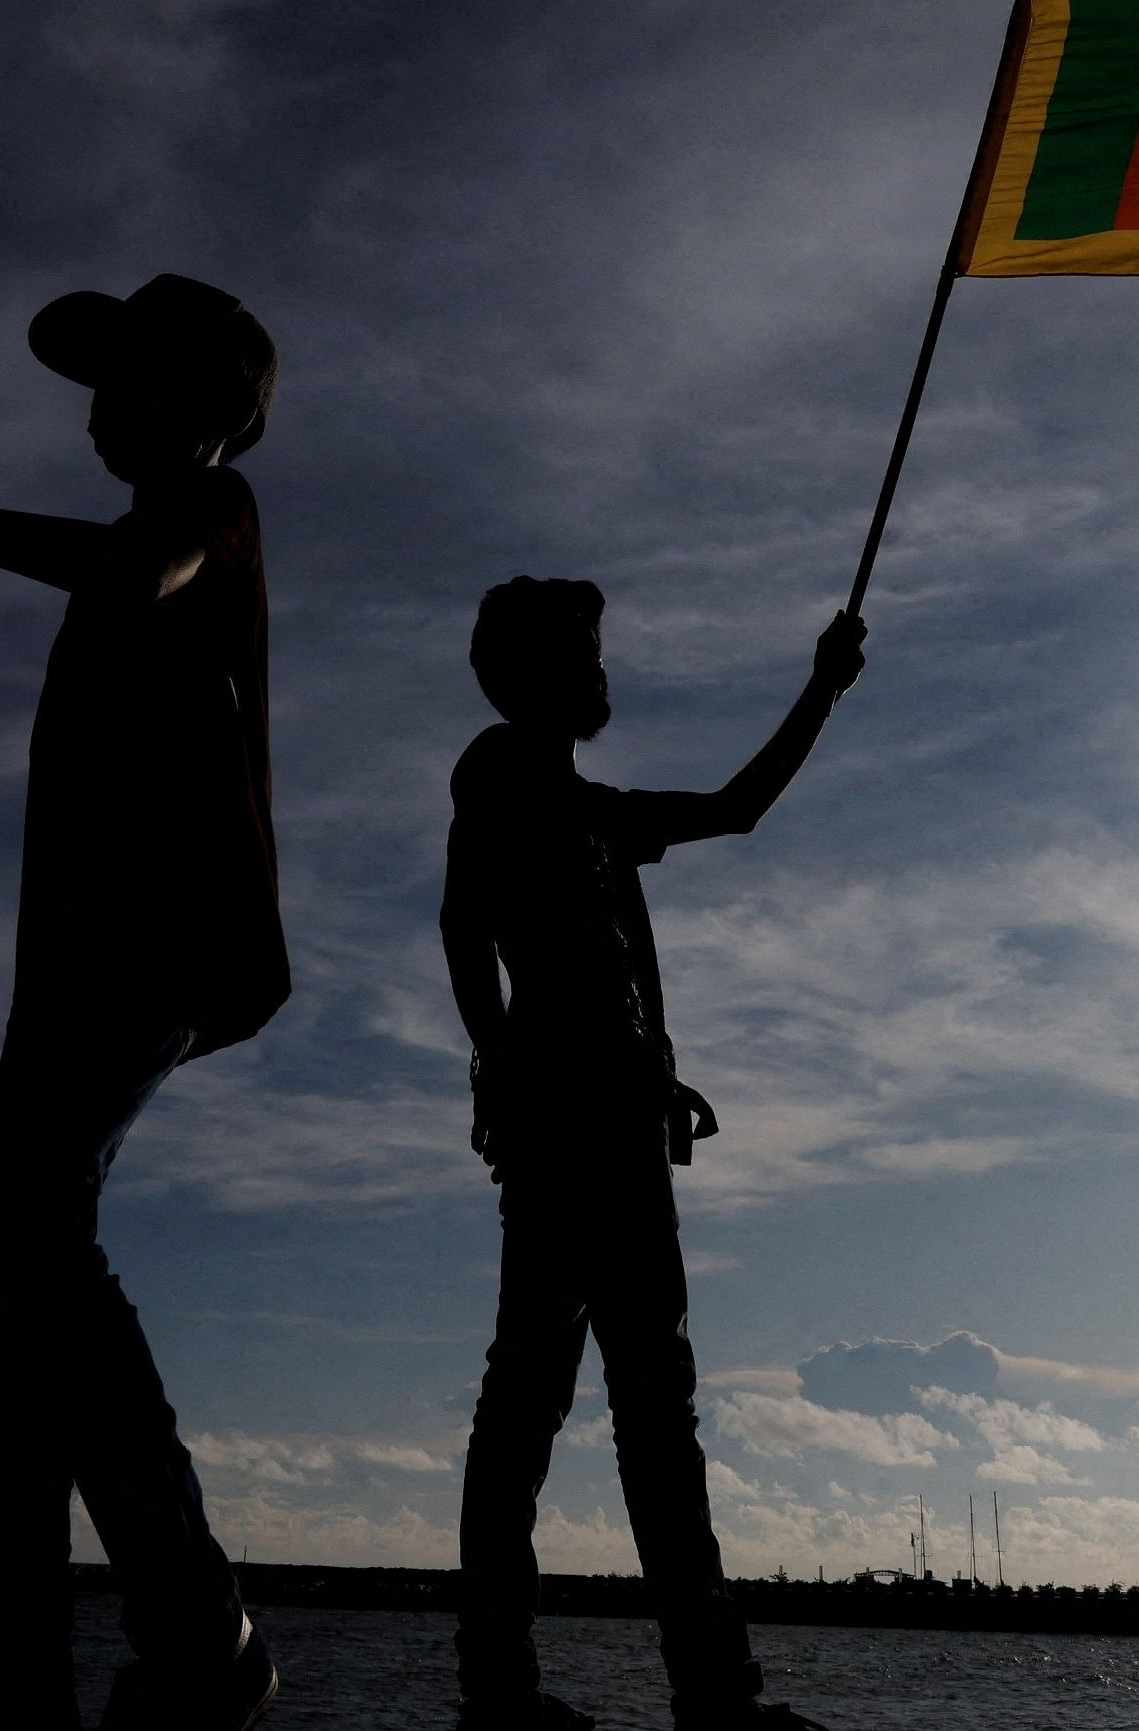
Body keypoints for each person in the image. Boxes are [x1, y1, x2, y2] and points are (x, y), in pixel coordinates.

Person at [0, 276, 291, 1731]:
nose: (106, 404)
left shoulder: (199, 520)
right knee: (11, 1281)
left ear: (216, 411)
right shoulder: (155, 527)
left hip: (154, 945)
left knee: (24, 1235)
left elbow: (136, 574)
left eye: (138, 375)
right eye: (99, 381)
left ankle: (194, 1625)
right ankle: (27, 1668)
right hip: (80, 958)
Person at [442, 578, 866, 1731]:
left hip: (618, 1126)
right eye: (579, 652)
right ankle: (510, 1687)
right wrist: (501, 1062)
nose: (597, 669)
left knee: (646, 1403)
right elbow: (464, 926)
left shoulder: (592, 815)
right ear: (527, 672)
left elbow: (736, 808)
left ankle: (703, 1691)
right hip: (564, 1127)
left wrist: (820, 690)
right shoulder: (498, 776)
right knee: (537, 1398)